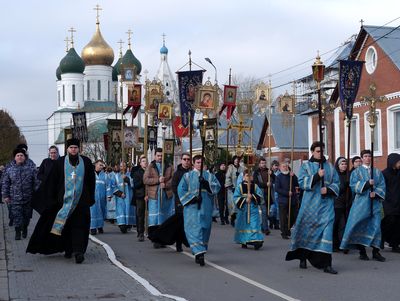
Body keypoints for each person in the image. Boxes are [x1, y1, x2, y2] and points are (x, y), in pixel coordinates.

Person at [26, 138, 95, 264]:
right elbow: (52, 182)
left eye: (75, 147)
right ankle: (68, 249)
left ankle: (78, 251)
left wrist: (91, 197)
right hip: (63, 202)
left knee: (79, 226)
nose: (73, 149)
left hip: (81, 201)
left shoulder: (86, 161)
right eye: (71, 147)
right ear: (67, 149)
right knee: (66, 226)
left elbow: (91, 181)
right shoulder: (60, 162)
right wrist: (52, 199)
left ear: (79, 149)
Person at [286, 141, 340, 274]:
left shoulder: (330, 167)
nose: (320, 153)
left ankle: (327, 264)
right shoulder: (306, 166)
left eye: (322, 151)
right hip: (310, 206)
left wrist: (328, 190)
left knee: (327, 233)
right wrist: (317, 176)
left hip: (326, 206)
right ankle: (303, 257)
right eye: (317, 151)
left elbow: (337, 183)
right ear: (312, 152)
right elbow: (302, 182)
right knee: (307, 232)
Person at [340, 150, 386, 262]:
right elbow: (353, 186)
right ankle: (362, 251)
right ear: (362, 158)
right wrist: (366, 184)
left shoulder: (377, 172)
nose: (368, 158)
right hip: (361, 203)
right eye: (365, 156)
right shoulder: (356, 172)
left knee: (376, 227)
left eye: (369, 156)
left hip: (374, 204)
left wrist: (376, 193)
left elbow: (382, 185)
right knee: (360, 225)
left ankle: (376, 252)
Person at [178, 155, 220, 266]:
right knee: (193, 228)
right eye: (197, 162)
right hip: (192, 208)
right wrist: (193, 198)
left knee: (205, 227)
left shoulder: (210, 176)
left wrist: (206, 184)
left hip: (205, 206)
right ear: (193, 164)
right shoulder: (187, 176)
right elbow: (181, 189)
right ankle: (199, 253)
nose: (199, 164)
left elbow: (217, 187)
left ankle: (200, 251)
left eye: (201, 162)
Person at [2, 148, 38, 240]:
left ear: (24, 157)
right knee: (17, 216)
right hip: (15, 198)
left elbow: (36, 182)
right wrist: (5, 196)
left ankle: (25, 228)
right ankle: (17, 233)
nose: (20, 157)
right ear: (15, 157)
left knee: (27, 217)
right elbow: (5, 183)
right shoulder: (10, 170)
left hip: (28, 198)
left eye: (21, 155)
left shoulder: (31, 169)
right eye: (18, 155)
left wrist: (37, 194)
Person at [143, 147, 174, 248]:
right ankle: (155, 239)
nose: (160, 157)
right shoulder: (150, 166)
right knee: (154, 218)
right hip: (154, 196)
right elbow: (146, 180)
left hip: (166, 196)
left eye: (161, 155)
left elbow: (173, 179)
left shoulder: (169, 166)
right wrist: (158, 180)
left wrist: (166, 184)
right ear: (155, 156)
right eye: (158, 155)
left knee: (164, 218)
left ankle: (163, 239)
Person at [233, 169, 264, 250]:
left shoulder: (255, 186)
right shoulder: (239, 187)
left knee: (254, 224)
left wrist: (253, 197)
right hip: (243, 210)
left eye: (250, 176)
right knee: (244, 225)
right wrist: (245, 200)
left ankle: (255, 240)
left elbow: (260, 196)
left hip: (253, 209)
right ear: (243, 177)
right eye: (247, 176)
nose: (249, 177)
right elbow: (235, 197)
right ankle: (244, 240)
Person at [170, 152, 192, 251]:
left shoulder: (193, 173)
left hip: (191, 201)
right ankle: (179, 243)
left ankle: (191, 242)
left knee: (191, 223)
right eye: (184, 159)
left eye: (188, 159)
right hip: (180, 201)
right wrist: (182, 197)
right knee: (180, 223)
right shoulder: (177, 173)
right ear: (181, 160)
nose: (186, 161)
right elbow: (174, 187)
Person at [32, 146, 59, 215]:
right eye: (51, 153)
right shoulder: (46, 161)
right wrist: (46, 178)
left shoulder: (61, 161)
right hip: (46, 189)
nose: (53, 154)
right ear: (49, 153)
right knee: (45, 209)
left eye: (54, 153)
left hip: (58, 189)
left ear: (57, 153)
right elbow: (39, 174)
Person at [275, 161, 299, 239]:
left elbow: (297, 184)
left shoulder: (291, 175)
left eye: (286, 166)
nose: (285, 168)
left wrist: (294, 176)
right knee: (283, 217)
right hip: (283, 200)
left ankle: (288, 228)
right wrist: (286, 193)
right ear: (280, 168)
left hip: (292, 200)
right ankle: (284, 232)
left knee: (293, 216)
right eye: (283, 166)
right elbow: (277, 189)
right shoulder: (278, 177)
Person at [381, 153, 400, 253]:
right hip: (388, 202)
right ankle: (382, 237)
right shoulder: (384, 173)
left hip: (398, 201)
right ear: (393, 162)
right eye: (398, 161)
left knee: (397, 223)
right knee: (390, 221)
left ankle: (395, 244)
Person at [111, 161, 135, 233]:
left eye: (124, 166)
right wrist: (120, 193)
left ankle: (128, 224)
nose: (122, 168)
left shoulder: (130, 175)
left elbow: (133, 184)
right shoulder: (115, 176)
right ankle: (122, 225)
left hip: (128, 197)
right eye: (121, 166)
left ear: (126, 167)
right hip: (120, 198)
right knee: (121, 211)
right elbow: (112, 186)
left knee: (128, 210)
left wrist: (127, 179)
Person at [333, 157, 351, 251]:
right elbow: (336, 189)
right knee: (337, 224)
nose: (344, 166)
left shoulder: (349, 175)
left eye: (345, 164)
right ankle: (335, 244)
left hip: (346, 203)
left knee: (343, 224)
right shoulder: (335, 175)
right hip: (337, 203)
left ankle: (342, 244)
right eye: (342, 164)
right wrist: (344, 186)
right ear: (338, 165)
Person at [253, 157, 275, 235]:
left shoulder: (269, 171)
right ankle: (266, 229)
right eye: (262, 163)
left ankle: (263, 226)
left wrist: (272, 174)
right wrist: (266, 184)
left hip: (269, 194)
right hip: (261, 194)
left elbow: (276, 179)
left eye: (264, 163)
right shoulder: (256, 172)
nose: (264, 164)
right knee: (264, 212)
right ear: (259, 164)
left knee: (268, 213)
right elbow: (256, 183)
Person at [131, 155, 148, 242]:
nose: (145, 163)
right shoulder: (137, 173)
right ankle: (140, 232)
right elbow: (136, 185)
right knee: (140, 215)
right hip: (140, 196)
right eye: (143, 161)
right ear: (140, 163)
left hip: (149, 195)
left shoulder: (150, 171)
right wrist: (143, 180)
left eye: (146, 161)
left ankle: (149, 231)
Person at [225, 156, 244, 226]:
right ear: (233, 161)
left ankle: (237, 219)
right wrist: (230, 186)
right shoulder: (231, 167)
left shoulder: (242, 168)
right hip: (232, 189)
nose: (236, 161)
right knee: (233, 204)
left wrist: (240, 176)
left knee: (239, 204)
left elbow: (244, 176)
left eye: (237, 160)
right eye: (235, 160)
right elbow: (228, 177)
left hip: (240, 189)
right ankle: (232, 218)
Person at [90, 160, 107, 235]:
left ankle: (100, 226)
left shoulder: (105, 175)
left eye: (102, 165)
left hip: (102, 197)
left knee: (101, 212)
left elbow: (108, 186)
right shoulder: (90, 174)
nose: (101, 167)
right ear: (96, 165)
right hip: (92, 197)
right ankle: (92, 228)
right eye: (100, 165)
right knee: (93, 212)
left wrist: (109, 195)